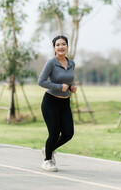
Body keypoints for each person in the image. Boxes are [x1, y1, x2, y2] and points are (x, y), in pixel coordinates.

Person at [37, 35, 77, 172]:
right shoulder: (51, 63)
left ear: (67, 46)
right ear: (54, 48)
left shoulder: (72, 63)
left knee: (68, 133)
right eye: (58, 45)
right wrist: (60, 87)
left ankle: (48, 149)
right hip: (50, 102)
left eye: (63, 44)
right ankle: (47, 160)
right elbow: (41, 81)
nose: (61, 47)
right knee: (54, 133)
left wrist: (71, 87)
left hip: (65, 103)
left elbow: (67, 80)